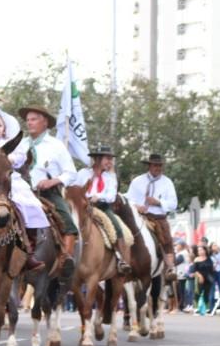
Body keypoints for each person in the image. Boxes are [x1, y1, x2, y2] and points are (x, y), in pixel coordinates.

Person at [0, 113, 45, 271]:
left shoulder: (9, 144)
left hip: (9, 180)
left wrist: (11, 159)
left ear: (4, 128)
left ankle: (28, 249)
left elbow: (20, 158)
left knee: (30, 205)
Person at [18, 105, 78, 276]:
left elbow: (71, 173)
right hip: (23, 193)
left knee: (68, 223)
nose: (29, 123)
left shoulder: (56, 145)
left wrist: (53, 181)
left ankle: (66, 259)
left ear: (44, 122)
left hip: (47, 193)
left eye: (34, 119)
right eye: (28, 120)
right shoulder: (21, 144)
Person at [74, 145, 131, 274]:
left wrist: (98, 197)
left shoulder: (110, 177)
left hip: (102, 207)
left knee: (116, 227)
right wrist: (85, 197)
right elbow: (75, 189)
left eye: (111, 159)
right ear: (98, 159)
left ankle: (121, 259)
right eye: (107, 158)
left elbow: (111, 196)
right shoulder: (83, 173)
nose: (110, 162)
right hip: (83, 206)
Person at [125, 153, 178, 281]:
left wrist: (158, 202)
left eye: (160, 166)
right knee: (124, 233)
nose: (158, 168)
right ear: (149, 166)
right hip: (139, 216)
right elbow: (128, 198)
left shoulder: (167, 182)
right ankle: (121, 260)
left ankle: (170, 267)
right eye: (155, 165)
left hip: (158, 217)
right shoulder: (137, 181)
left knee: (166, 238)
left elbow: (173, 204)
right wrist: (136, 206)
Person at [191, 245, 215, 316]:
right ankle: (196, 309)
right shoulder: (196, 259)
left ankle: (207, 309)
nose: (200, 251)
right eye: (199, 250)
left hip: (208, 279)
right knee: (197, 293)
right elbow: (194, 270)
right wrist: (200, 276)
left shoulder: (209, 259)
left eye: (201, 250)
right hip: (199, 278)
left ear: (205, 251)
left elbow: (211, 269)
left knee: (206, 294)